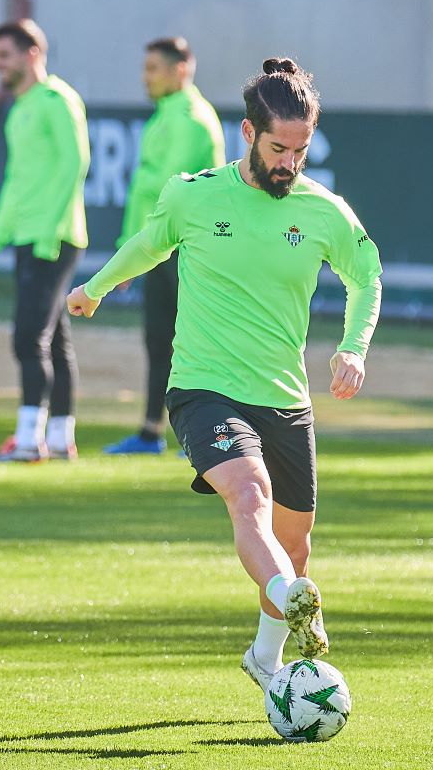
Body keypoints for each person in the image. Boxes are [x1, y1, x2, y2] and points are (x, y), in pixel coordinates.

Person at [66, 58, 383, 691]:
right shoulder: (194, 194)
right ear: (247, 132)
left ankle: (265, 657)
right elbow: (150, 243)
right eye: (277, 149)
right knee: (249, 494)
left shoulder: (325, 212)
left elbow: (367, 276)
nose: (289, 163)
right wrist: (95, 287)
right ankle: (291, 598)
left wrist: (353, 348)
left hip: (284, 397)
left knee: (295, 544)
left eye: (300, 150)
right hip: (203, 388)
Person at [0, 19, 90, 463]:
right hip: (28, 237)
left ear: (32, 54)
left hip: (53, 238)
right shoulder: (20, 109)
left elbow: (75, 164)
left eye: (5, 55)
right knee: (53, 340)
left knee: (28, 338)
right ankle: (59, 438)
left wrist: (49, 231)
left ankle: (27, 441)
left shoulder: (58, 100)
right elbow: (15, 184)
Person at [104, 37, 225, 455]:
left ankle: (210, 434)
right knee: (159, 341)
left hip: (187, 251)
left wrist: (134, 251)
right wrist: (127, 253)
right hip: (159, 250)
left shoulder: (192, 118)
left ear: (180, 70)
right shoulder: (164, 116)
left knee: (196, 346)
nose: (146, 77)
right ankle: (150, 432)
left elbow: (170, 191)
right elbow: (144, 195)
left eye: (153, 68)